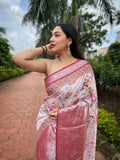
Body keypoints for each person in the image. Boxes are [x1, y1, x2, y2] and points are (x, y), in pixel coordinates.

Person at [12, 23, 98, 160]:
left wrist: (64, 114)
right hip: (47, 123)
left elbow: (89, 102)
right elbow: (18, 58)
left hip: (72, 126)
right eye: (51, 35)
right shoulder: (48, 64)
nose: (51, 39)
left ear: (69, 41)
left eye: (57, 35)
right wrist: (45, 48)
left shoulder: (84, 68)